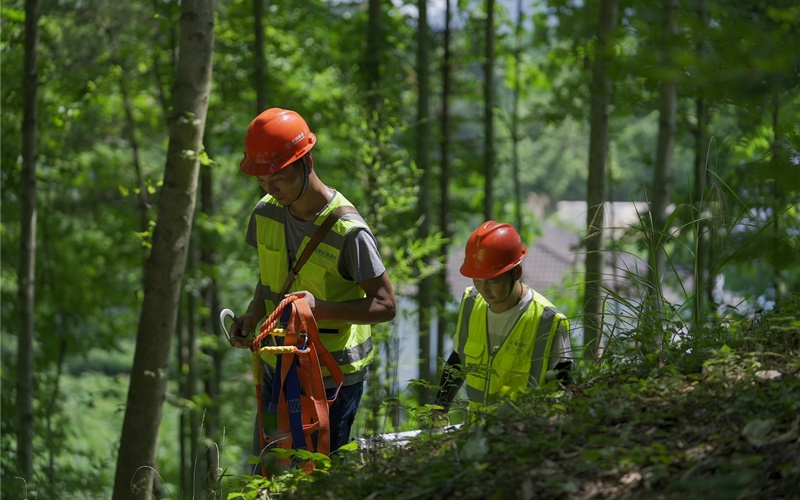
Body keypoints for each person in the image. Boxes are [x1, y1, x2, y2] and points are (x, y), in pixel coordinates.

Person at [227, 108, 397, 468]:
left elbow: (386, 305)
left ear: (306, 162)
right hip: (278, 363)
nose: (271, 190)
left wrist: (319, 308)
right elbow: (271, 279)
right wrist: (252, 316)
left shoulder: (349, 232)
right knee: (271, 469)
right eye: (263, 182)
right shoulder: (266, 213)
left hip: (332, 379)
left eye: (279, 180)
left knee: (319, 477)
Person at [434, 221, 572, 418]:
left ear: (516, 273)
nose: (484, 289)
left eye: (493, 280)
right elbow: (457, 362)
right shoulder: (471, 303)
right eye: (478, 280)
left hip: (524, 437)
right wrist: (439, 410)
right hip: (475, 433)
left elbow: (563, 390)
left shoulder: (549, 322)